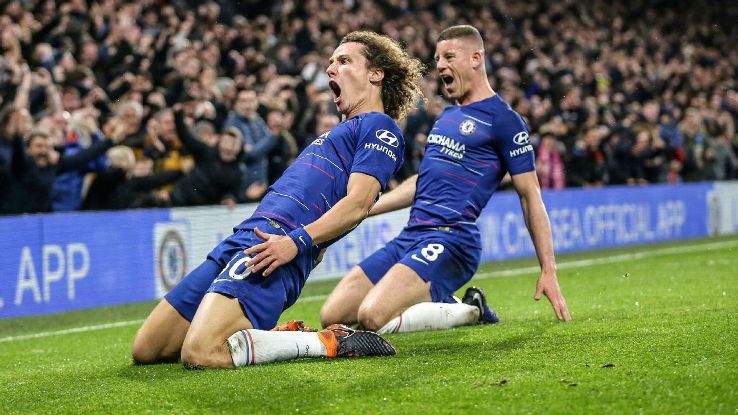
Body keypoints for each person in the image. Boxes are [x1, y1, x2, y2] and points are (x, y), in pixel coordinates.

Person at [131, 31, 424, 368]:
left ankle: (328, 341)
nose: (331, 68)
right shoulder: (338, 131)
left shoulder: (380, 128)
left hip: (277, 246)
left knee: (201, 353)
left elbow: (358, 204)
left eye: (344, 61)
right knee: (148, 349)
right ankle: (273, 335)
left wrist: (297, 244)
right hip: (245, 237)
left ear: (376, 74)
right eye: (331, 62)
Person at [320, 25, 571, 336]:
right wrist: (364, 208)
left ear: (476, 58)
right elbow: (422, 182)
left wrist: (548, 268)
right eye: (438, 58)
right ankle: (456, 303)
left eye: (449, 57)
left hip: (452, 239)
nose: (440, 65)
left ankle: (466, 311)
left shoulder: (505, 121)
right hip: (412, 235)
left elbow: (530, 195)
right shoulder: (447, 117)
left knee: (371, 317)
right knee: (333, 315)